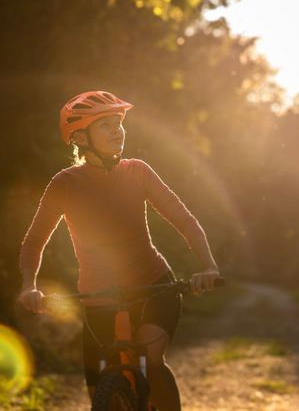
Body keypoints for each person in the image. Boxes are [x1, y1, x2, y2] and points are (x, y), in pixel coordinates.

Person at [18, 90, 220, 411]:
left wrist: (208, 266)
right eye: (106, 125)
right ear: (81, 137)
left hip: (153, 286)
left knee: (151, 360)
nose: (117, 131)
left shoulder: (137, 171)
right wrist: (30, 285)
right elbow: (34, 240)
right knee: (98, 383)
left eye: (118, 123)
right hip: (98, 296)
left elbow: (183, 219)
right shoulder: (64, 184)